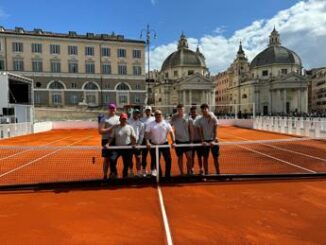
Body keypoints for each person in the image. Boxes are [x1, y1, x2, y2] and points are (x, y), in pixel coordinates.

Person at [145, 110, 175, 177]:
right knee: (156, 161)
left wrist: (173, 142)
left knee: (168, 159)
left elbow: (171, 132)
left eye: (159, 114)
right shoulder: (150, 124)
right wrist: (147, 142)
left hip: (164, 144)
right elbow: (146, 133)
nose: (158, 115)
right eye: (156, 114)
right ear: (154, 115)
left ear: (162, 115)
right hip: (154, 145)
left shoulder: (166, 123)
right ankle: (160, 174)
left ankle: (167, 174)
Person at [106, 113, 136, 178]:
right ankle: (114, 173)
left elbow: (133, 137)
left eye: (125, 119)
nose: (123, 120)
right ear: (120, 119)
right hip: (117, 148)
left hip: (127, 148)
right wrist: (108, 143)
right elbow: (111, 137)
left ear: (126, 119)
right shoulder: (116, 128)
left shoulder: (130, 127)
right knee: (112, 159)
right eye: (122, 119)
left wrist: (134, 144)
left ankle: (125, 175)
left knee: (126, 163)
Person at [196, 103, 220, 175]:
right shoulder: (199, 120)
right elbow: (200, 131)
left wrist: (213, 140)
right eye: (202, 109)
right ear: (201, 111)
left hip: (214, 141)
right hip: (205, 142)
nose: (204, 111)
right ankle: (206, 174)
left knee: (216, 158)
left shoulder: (213, 118)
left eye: (205, 109)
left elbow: (215, 130)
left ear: (208, 109)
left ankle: (218, 173)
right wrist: (203, 141)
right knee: (205, 158)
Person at [98, 103, 120, 179]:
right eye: (111, 108)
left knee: (114, 159)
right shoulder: (104, 118)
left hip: (115, 140)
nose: (112, 110)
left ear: (116, 109)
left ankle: (113, 174)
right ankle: (105, 175)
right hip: (105, 140)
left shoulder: (118, 118)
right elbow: (100, 131)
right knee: (106, 159)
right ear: (108, 109)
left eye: (113, 108)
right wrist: (112, 128)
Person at [170, 104, 192, 175]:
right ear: (177, 110)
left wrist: (191, 141)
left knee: (189, 158)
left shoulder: (188, 118)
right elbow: (169, 127)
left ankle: (189, 172)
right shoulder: (174, 118)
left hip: (187, 141)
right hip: (178, 141)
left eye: (181, 109)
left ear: (184, 109)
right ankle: (181, 173)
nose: (180, 111)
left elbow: (190, 130)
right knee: (180, 158)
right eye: (179, 110)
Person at [128, 109, 145, 177]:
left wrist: (139, 143)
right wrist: (130, 143)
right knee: (129, 158)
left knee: (138, 158)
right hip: (129, 144)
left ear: (139, 114)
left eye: (137, 113)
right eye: (135, 113)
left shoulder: (141, 124)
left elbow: (141, 135)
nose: (136, 114)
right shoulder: (128, 122)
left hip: (137, 144)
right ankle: (131, 172)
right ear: (133, 113)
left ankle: (138, 172)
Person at [188, 105, 204, 175]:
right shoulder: (189, 119)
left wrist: (202, 139)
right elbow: (188, 130)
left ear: (196, 111)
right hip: (191, 141)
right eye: (192, 112)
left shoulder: (200, 118)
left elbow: (202, 129)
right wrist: (190, 140)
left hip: (199, 141)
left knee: (200, 156)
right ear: (190, 112)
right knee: (192, 157)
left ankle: (201, 169)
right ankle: (192, 169)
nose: (193, 113)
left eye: (194, 111)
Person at [140, 106, 155, 176]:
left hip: (152, 139)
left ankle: (152, 170)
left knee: (153, 155)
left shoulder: (154, 119)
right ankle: (144, 170)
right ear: (145, 111)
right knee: (144, 155)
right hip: (144, 140)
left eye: (149, 110)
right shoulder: (141, 119)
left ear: (151, 111)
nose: (148, 112)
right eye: (147, 110)